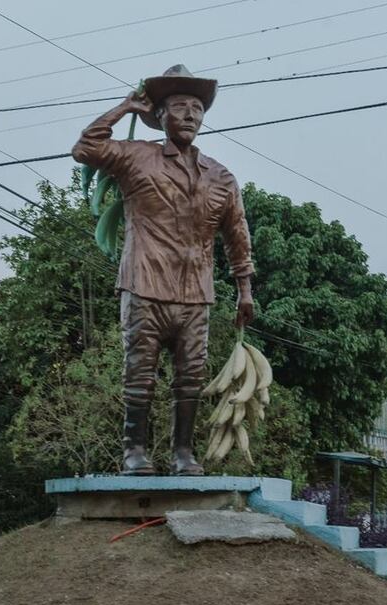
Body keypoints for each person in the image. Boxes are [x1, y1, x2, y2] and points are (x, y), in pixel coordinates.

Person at [72, 65, 255, 476]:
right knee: (139, 375)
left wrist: (245, 289)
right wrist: (124, 108)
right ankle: (133, 451)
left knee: (191, 378)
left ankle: (183, 454)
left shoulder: (221, 177)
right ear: (160, 116)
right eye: (179, 107)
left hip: (196, 294)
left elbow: (236, 235)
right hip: (145, 287)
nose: (190, 115)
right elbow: (86, 148)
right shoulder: (137, 157)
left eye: (196, 108)